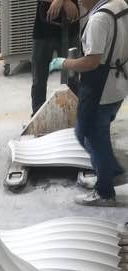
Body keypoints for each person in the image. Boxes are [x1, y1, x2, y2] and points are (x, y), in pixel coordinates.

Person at [50, 0, 128, 206]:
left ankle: (104, 192)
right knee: (97, 133)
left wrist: (64, 63)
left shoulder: (98, 19)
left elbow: (91, 62)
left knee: (89, 136)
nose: (79, 2)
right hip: (118, 84)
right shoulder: (120, 4)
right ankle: (110, 173)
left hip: (100, 89)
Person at [33, 0, 80, 115]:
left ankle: (73, 115)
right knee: (39, 78)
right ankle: (39, 116)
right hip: (43, 29)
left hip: (70, 27)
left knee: (72, 78)